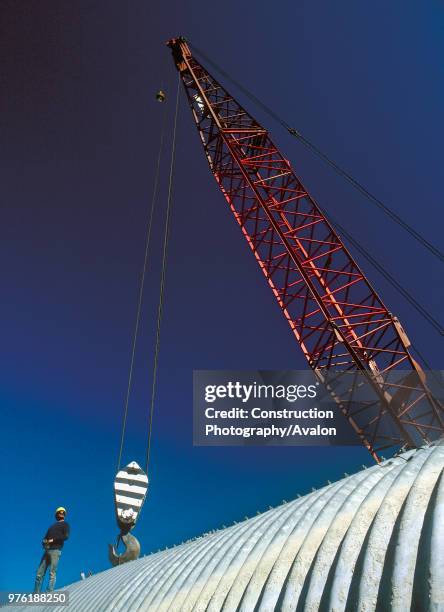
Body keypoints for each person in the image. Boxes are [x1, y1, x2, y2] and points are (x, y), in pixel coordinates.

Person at [34, 507, 70, 592]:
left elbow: (65, 536)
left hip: (56, 550)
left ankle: (49, 592)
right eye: (59, 512)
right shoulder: (51, 527)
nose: (61, 513)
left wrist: (53, 540)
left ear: (64, 515)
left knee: (52, 573)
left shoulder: (65, 524)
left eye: (63, 512)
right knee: (39, 573)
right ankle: (35, 594)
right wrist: (44, 542)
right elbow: (45, 538)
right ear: (56, 514)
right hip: (47, 550)